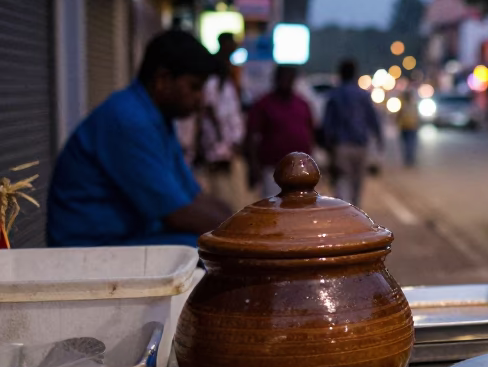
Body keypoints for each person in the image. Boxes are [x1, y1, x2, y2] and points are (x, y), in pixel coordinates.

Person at [47, 30, 235, 247]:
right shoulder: (128, 120)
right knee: (208, 252)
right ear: (163, 80)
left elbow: (192, 196)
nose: (201, 99)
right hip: (88, 250)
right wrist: (243, 232)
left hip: (128, 240)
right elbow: (178, 213)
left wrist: (242, 219)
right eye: (194, 87)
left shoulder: (159, 120)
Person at [247, 66, 317, 197]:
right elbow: (251, 136)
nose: (285, 82)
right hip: (273, 169)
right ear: (275, 79)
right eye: (282, 78)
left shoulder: (303, 104)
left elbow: (310, 132)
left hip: (300, 170)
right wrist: (253, 166)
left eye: (289, 78)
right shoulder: (263, 104)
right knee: (274, 210)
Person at [195, 32, 247, 208]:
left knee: (229, 189)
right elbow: (208, 108)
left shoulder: (230, 71)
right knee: (218, 189)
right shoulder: (213, 69)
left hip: (226, 139)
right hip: (216, 140)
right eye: (232, 43)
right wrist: (220, 138)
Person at [321, 59, 382, 206]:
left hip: (341, 146)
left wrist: (327, 146)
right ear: (355, 74)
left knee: (341, 181)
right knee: (357, 183)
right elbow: (373, 119)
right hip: (360, 145)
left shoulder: (334, 95)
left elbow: (328, 124)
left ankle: (343, 213)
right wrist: (379, 140)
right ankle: (356, 215)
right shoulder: (363, 95)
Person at [397, 85, 421, 167]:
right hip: (411, 126)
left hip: (406, 126)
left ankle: (408, 158)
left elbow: (399, 115)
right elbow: (417, 116)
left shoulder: (403, 105)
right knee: (410, 143)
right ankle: (410, 158)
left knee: (407, 143)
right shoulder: (413, 104)